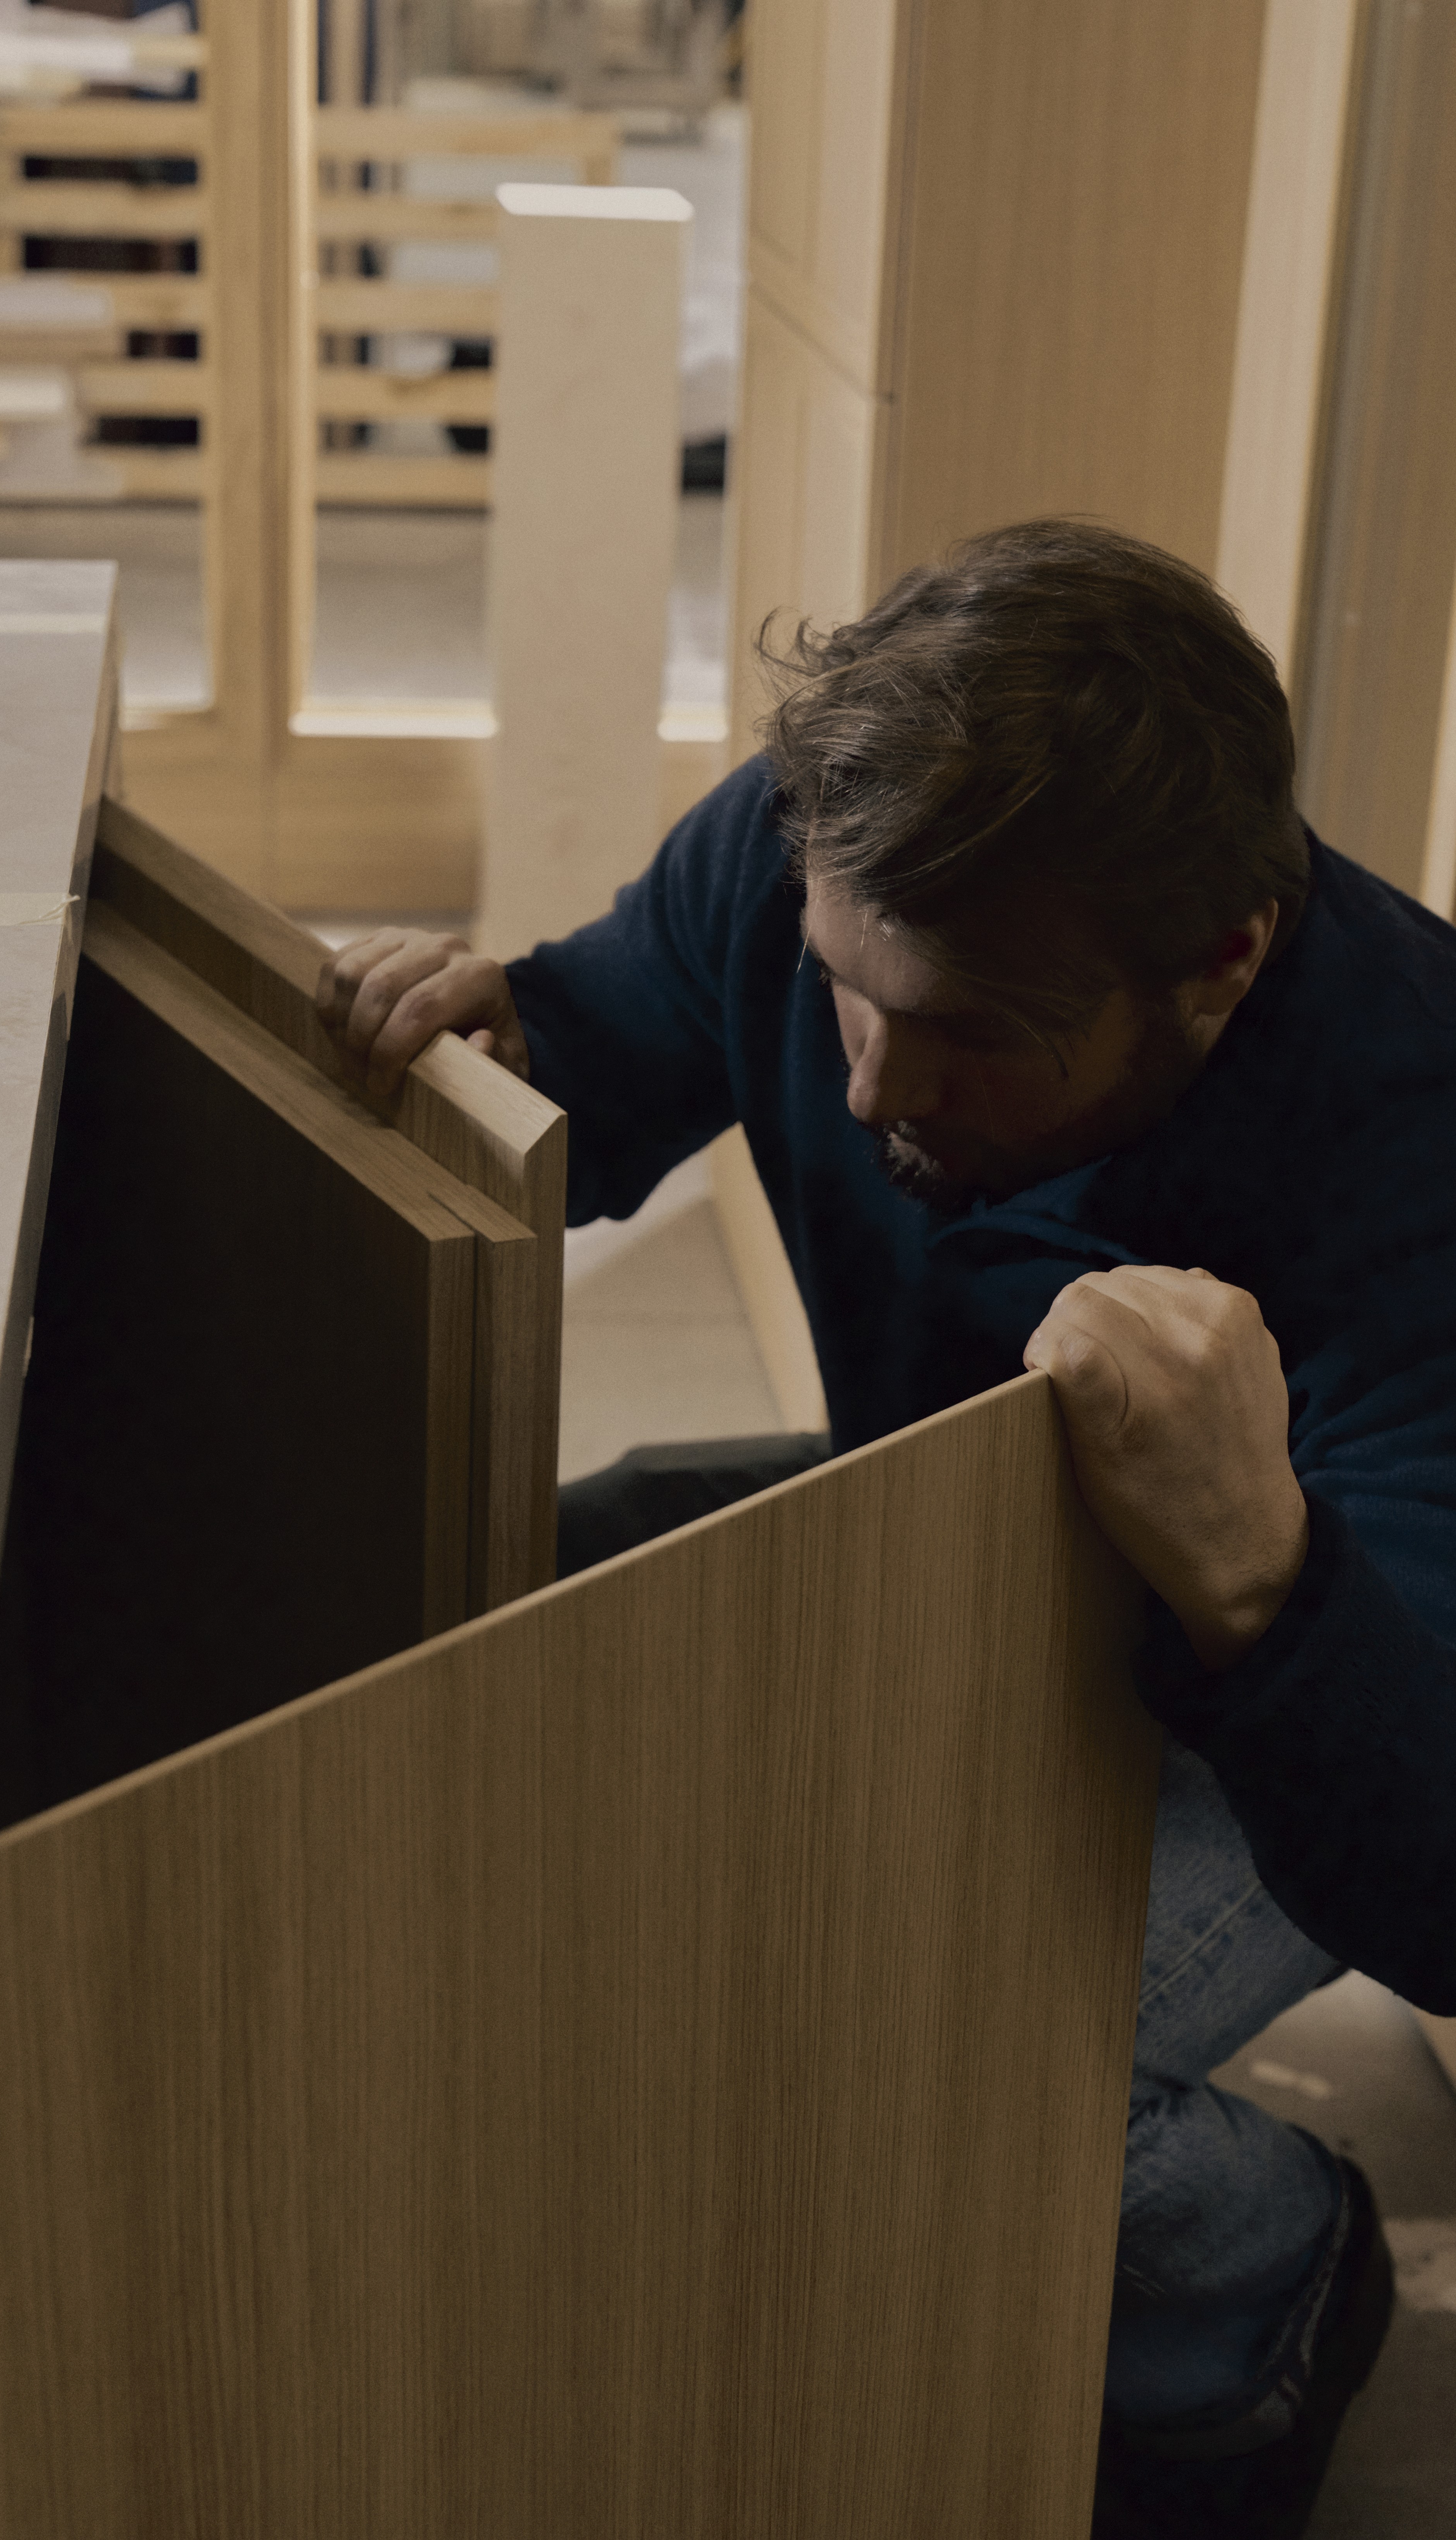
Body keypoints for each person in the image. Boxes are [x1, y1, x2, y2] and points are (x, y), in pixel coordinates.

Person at [318, 519, 1456, 2538]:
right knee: (491, 1625)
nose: (867, 1089)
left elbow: (1438, 1880)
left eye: (971, 1043)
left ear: (1221, 962)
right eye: (848, 992)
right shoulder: (804, 863)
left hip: (1286, 1684)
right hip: (970, 1545)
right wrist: (493, 1042)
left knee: (879, 2039)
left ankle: (1265, 2289)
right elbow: (611, 1030)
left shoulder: (1414, 1159)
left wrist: (1256, 1575)